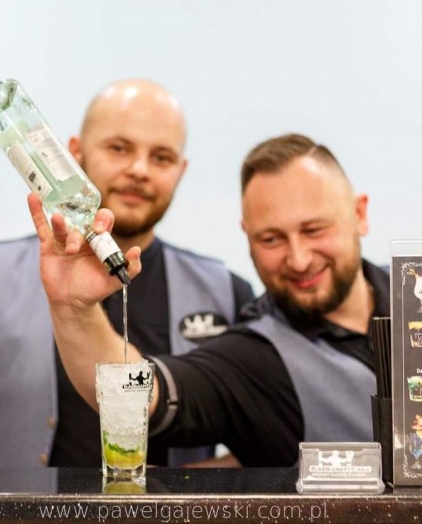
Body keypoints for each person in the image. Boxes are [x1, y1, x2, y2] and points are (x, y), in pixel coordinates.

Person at [0, 79, 255, 469]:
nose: (139, 170)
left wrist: (186, 486)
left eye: (162, 158)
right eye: (119, 148)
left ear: (181, 170)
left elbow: (264, 435)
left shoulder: (224, 292)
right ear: (72, 154)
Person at [31, 133, 389, 466]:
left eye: (314, 230)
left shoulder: (419, 291)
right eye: (271, 239)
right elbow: (144, 396)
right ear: (247, 237)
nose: (298, 259)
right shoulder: (254, 360)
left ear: (360, 214)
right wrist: (74, 309)